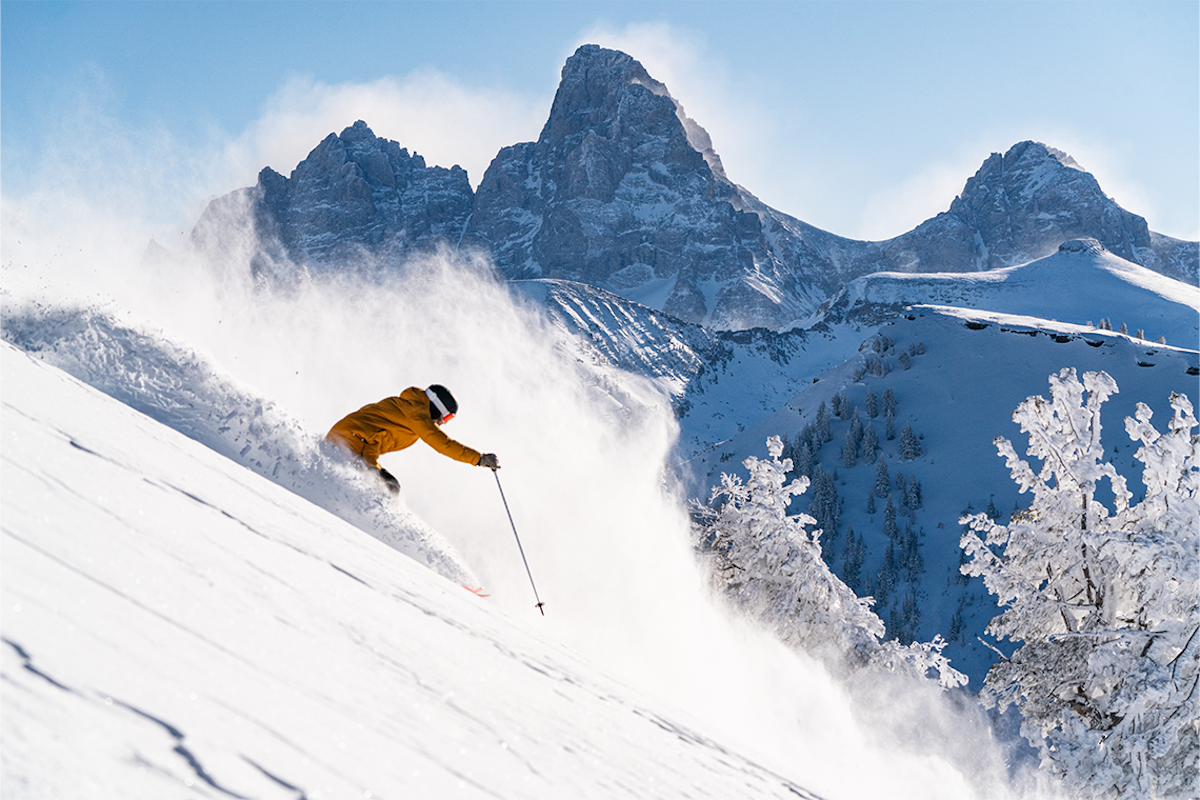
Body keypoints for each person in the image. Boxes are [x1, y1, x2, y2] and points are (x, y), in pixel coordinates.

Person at [326, 384, 499, 494]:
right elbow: (442, 443)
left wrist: (371, 465)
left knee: (388, 485)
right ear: (437, 406)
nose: (441, 423)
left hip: (352, 443)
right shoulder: (416, 414)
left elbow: (376, 437)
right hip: (349, 443)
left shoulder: (411, 409)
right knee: (388, 487)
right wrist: (479, 459)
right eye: (445, 418)